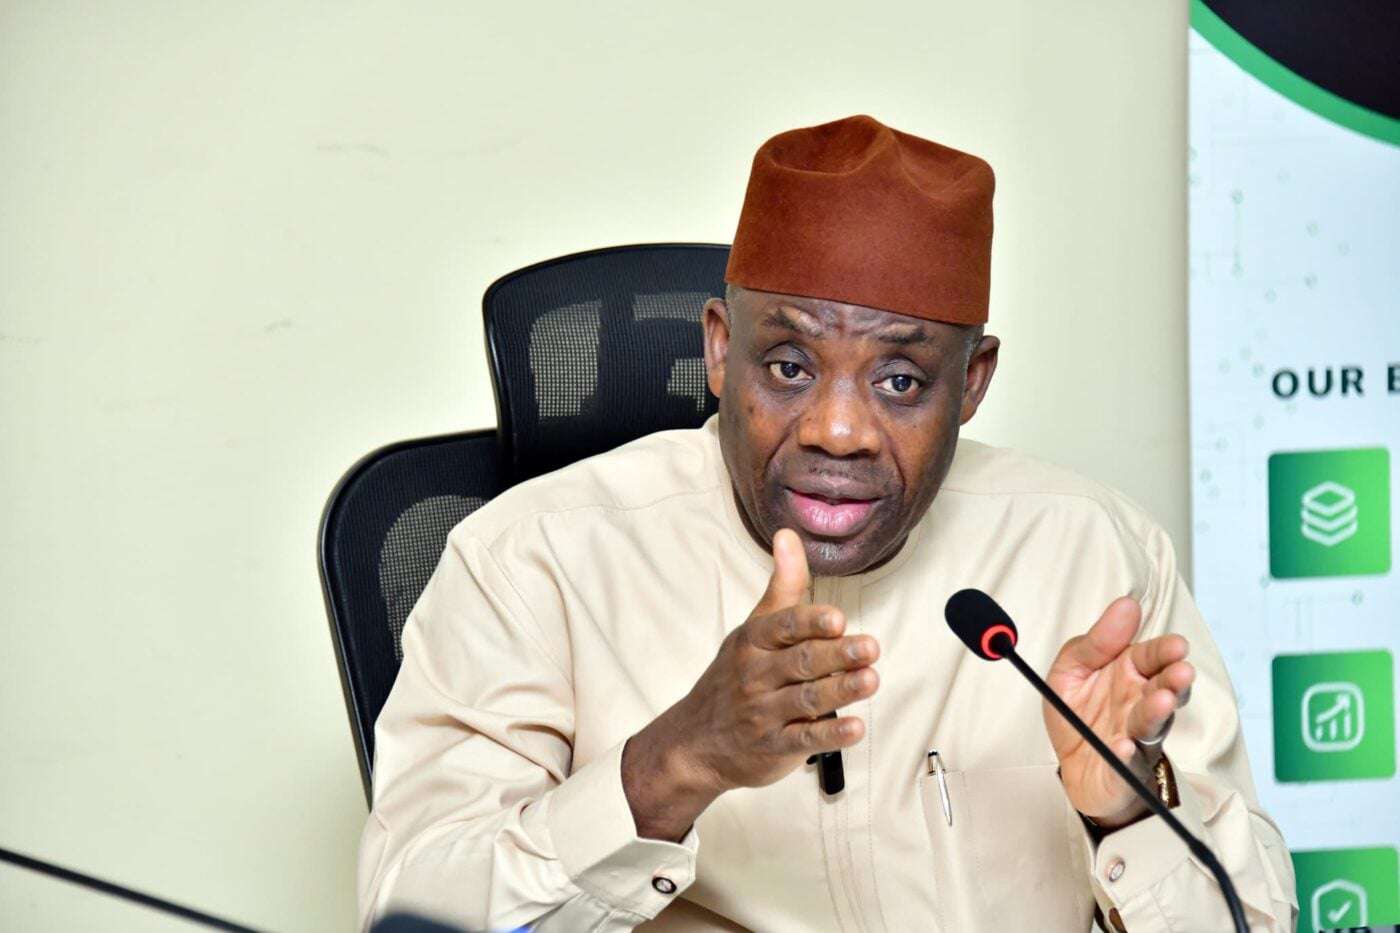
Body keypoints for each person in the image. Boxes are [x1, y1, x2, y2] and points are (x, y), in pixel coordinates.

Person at [357, 115, 1297, 931]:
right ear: (719, 349)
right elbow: (419, 911)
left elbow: (1253, 920)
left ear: (972, 384)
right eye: (789, 367)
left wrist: (1126, 814)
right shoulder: (532, 559)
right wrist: (677, 760)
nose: (838, 430)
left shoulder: (1090, 553)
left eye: (901, 380)